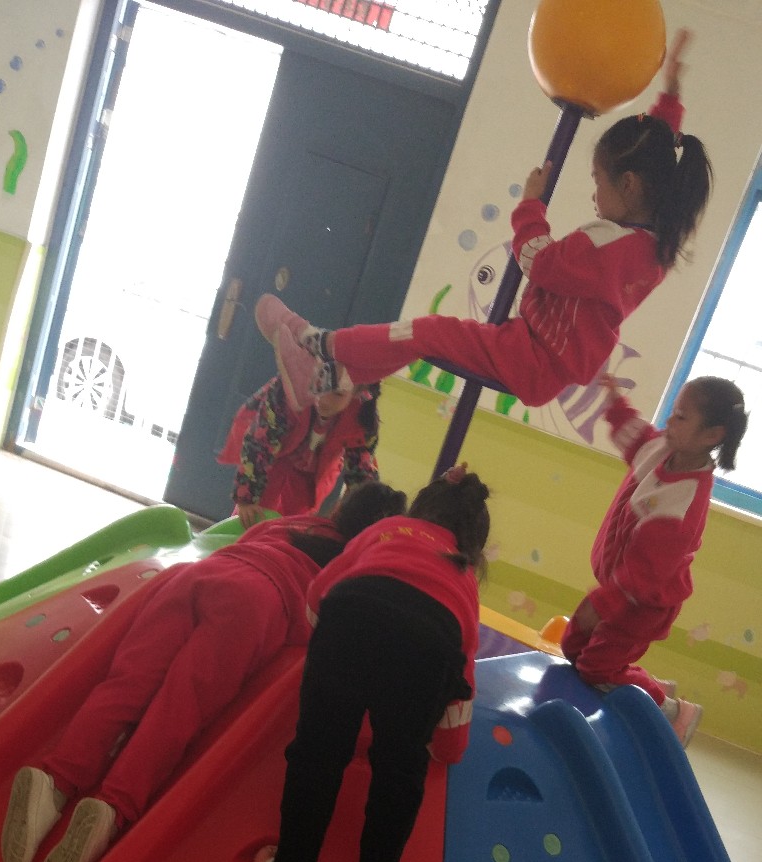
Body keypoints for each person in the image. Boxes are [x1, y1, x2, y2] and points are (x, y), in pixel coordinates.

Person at [254, 32, 711, 413]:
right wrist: (670, 96)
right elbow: (656, 158)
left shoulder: (607, 247)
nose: (594, 196)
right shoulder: (657, 246)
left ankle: (322, 346)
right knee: (422, 339)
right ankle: (331, 375)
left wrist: (530, 206)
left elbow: (537, 261)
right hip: (538, 356)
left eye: (598, 181)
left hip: (530, 357)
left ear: (628, 184)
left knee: (425, 332)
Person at [1, 480, 407, 862]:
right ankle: (112, 806)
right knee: (179, 705)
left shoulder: (291, 524)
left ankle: (56, 780)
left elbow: (247, 540)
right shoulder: (352, 570)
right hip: (255, 601)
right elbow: (320, 624)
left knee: (128, 682)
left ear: (339, 510)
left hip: (200, 575)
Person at [253, 464, 490, 862]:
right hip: (429, 644)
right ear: (472, 540)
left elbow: (320, 592)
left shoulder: (388, 529)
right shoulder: (462, 572)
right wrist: (450, 747)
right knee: (401, 768)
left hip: (351, 615)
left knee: (318, 753)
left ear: (421, 508)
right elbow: (461, 677)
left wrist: (320, 647)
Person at [561, 373, 748, 746]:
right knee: (573, 647)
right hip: (618, 588)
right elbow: (635, 437)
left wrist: (603, 603)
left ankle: (673, 710)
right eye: (674, 411)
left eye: (681, 416)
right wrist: (614, 402)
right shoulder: (662, 447)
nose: (670, 421)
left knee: (595, 668)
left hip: (643, 603)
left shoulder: (683, 499)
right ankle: (640, 680)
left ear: (712, 435)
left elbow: (646, 574)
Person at [217, 372, 381, 528]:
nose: (325, 399)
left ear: (358, 391)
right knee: (249, 516)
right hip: (274, 459)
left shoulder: (362, 418)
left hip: (313, 475)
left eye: (338, 394)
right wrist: (246, 498)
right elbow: (259, 442)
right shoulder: (287, 390)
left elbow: (361, 474)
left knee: (293, 526)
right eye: (321, 384)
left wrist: (364, 519)